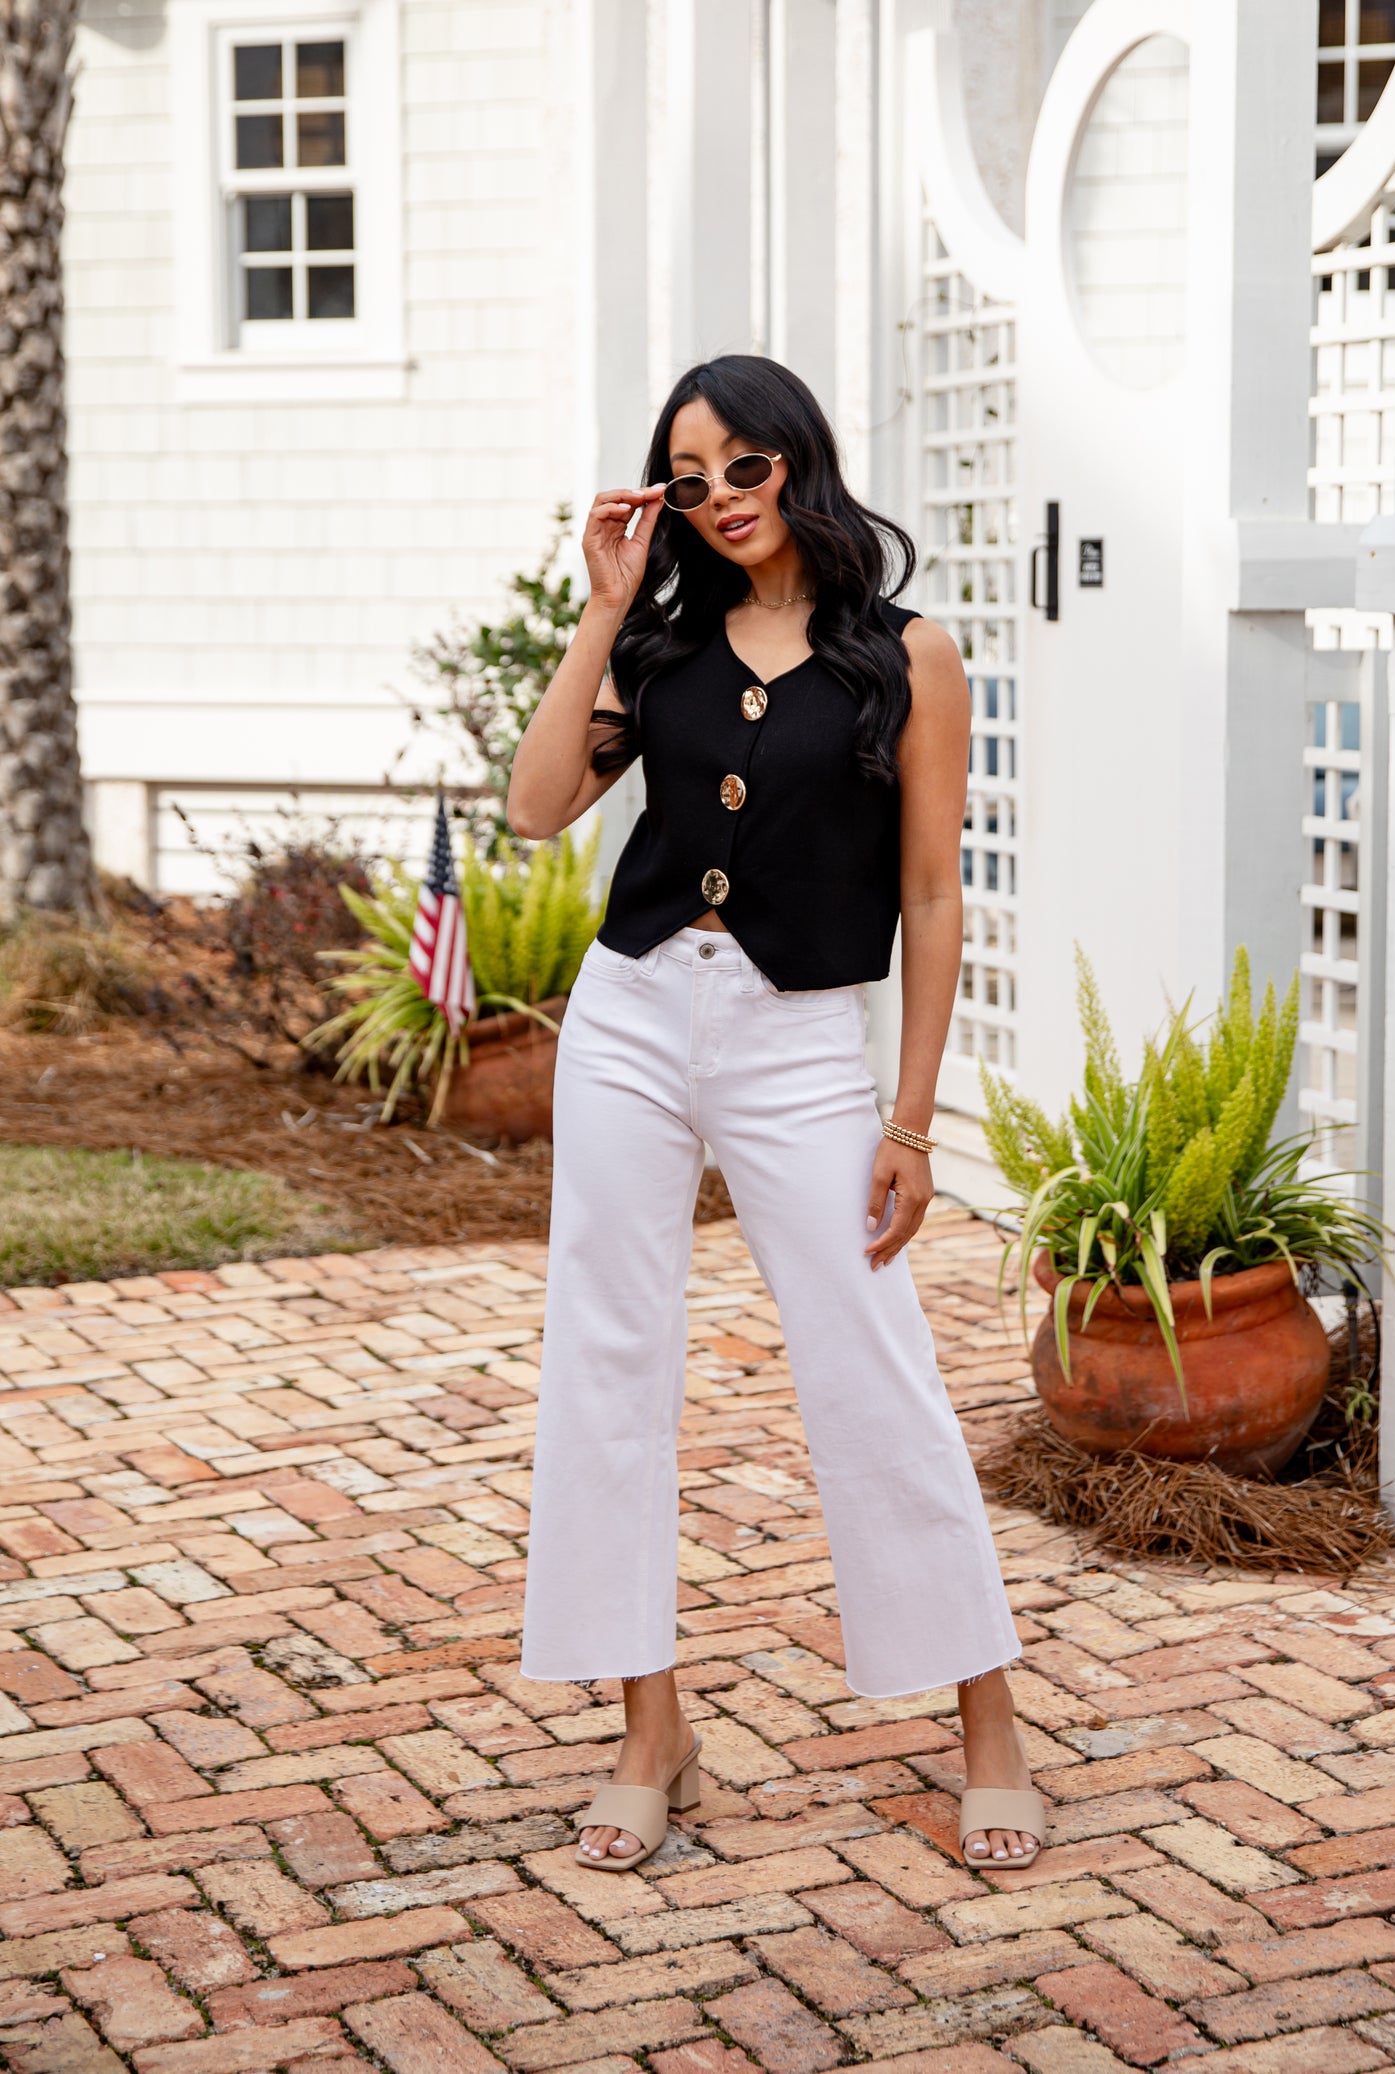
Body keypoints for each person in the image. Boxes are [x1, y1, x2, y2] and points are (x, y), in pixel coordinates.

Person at [506, 354, 1042, 1874]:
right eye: (692, 478)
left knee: (871, 1363)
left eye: (747, 465)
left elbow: (932, 892)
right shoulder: (664, 649)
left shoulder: (905, 654)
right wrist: (606, 604)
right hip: (630, 1016)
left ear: (801, 457)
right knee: (607, 1357)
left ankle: (987, 1715)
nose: (725, 498)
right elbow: (536, 807)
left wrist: (917, 1117)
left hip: (801, 1039)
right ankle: (647, 1724)